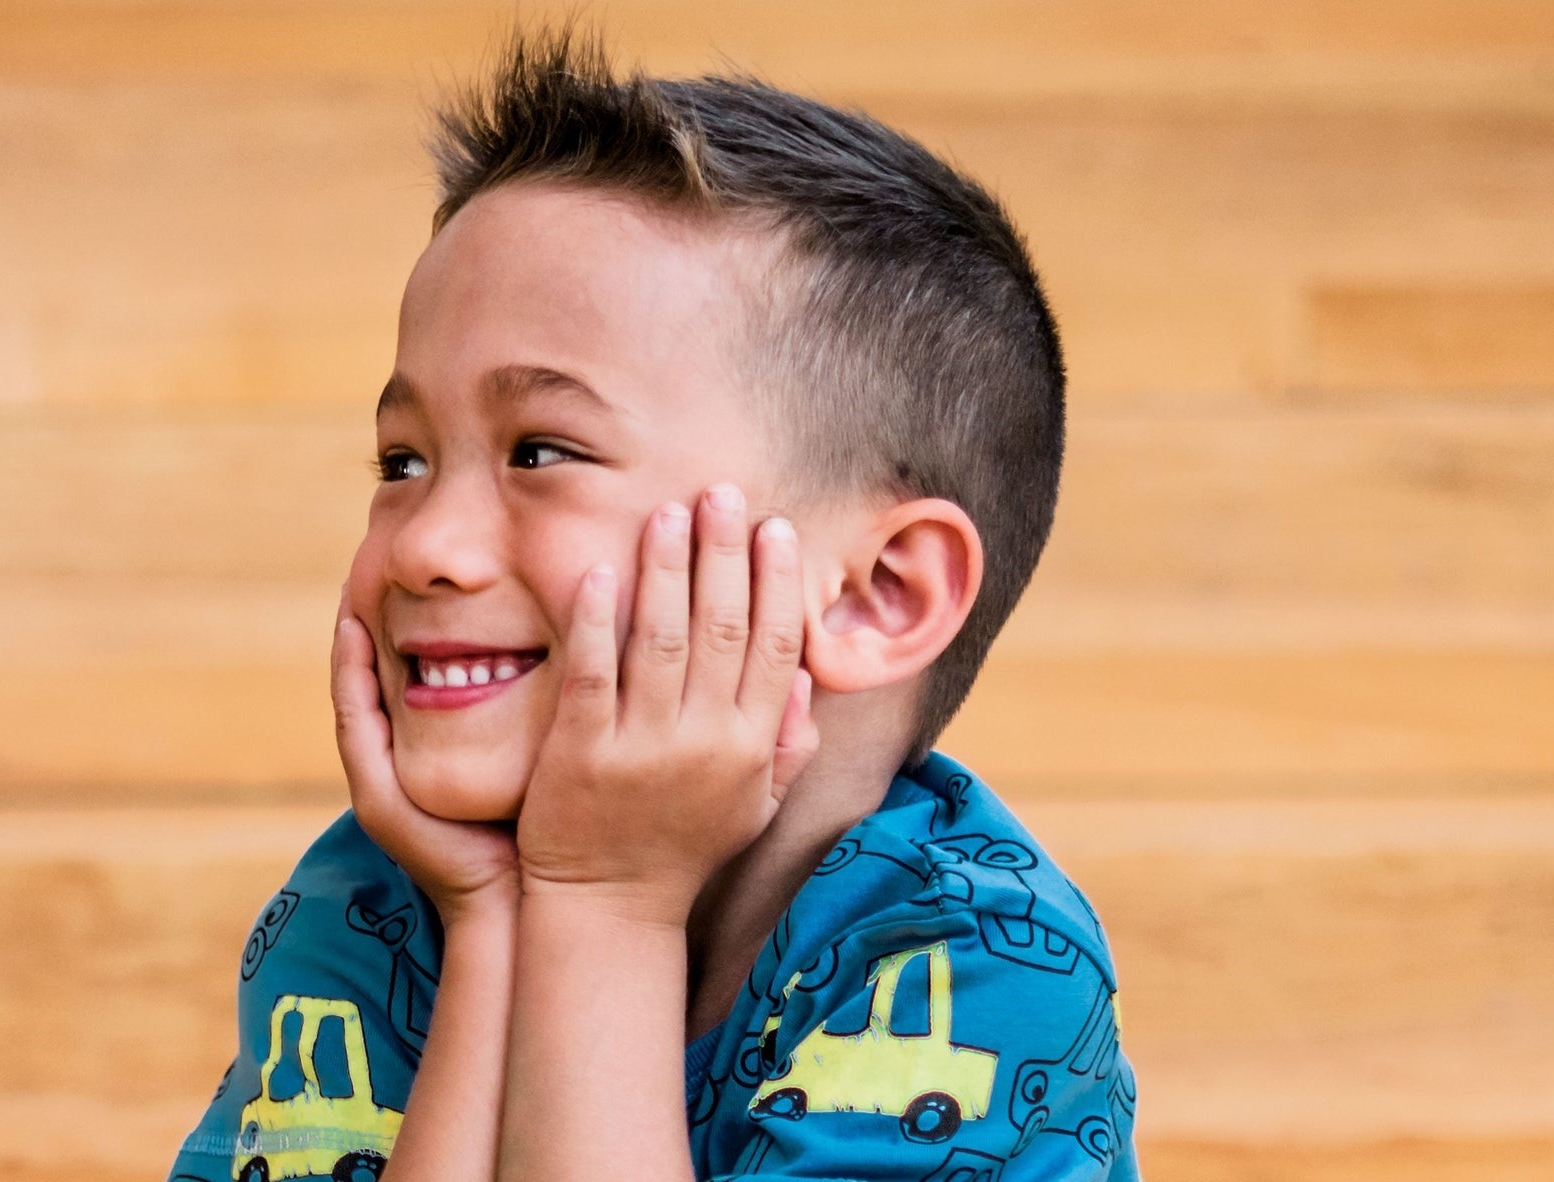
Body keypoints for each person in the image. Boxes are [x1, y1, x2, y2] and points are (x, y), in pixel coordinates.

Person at [167, 29, 1133, 1182]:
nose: (422, 544)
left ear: (877, 594)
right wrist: (491, 930)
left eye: (540, 450)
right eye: (401, 463)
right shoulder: (366, 911)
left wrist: (605, 908)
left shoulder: (970, 963)